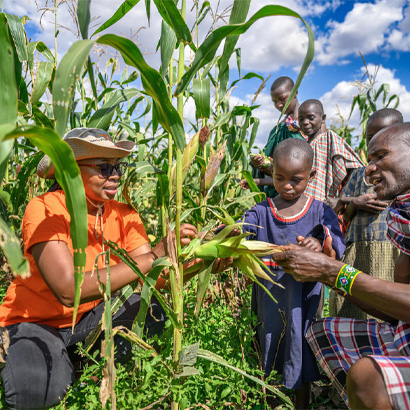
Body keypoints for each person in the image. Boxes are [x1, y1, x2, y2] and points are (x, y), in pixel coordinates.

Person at [0, 128, 228, 410]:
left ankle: (82, 366)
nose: (116, 175)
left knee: (151, 308)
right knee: (38, 391)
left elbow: (154, 279)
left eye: (118, 167)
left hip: (89, 319)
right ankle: (55, 363)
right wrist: (155, 254)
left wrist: (201, 264)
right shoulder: (45, 209)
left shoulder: (123, 214)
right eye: (104, 167)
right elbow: (67, 289)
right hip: (35, 322)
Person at [271, 122, 410, 410]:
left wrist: (332, 271)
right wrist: (331, 275)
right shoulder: (402, 217)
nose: (368, 168)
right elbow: (396, 312)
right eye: (369, 158)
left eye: (380, 156)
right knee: (321, 331)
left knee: (367, 377)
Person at [240, 138, 345, 409]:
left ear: (311, 175)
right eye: (279, 177)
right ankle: (272, 401)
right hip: (270, 297)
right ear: (272, 172)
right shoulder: (262, 211)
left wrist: (319, 242)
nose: (287, 185)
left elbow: (336, 240)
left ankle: (301, 404)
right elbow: (242, 228)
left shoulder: (320, 210)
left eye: (296, 179)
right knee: (271, 347)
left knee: (302, 347)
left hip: (304, 298)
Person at [330, 108, 404, 319]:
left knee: (385, 306)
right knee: (353, 305)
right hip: (358, 248)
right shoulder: (360, 174)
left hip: (391, 249)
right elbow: (345, 214)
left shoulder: (402, 176)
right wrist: (356, 202)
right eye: (370, 138)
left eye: (383, 135)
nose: (375, 141)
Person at [241, 76, 306, 198]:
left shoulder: (309, 123)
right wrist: (259, 163)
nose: (279, 105)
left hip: (307, 190)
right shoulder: (279, 129)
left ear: (295, 92)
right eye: (275, 102)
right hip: (282, 193)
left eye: (282, 99)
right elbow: (272, 165)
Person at [298, 99, 364, 203]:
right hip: (304, 204)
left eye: (311, 118)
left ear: (323, 118)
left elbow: (356, 168)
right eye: (301, 119)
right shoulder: (302, 147)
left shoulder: (330, 139)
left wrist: (340, 199)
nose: (305, 122)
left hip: (325, 203)